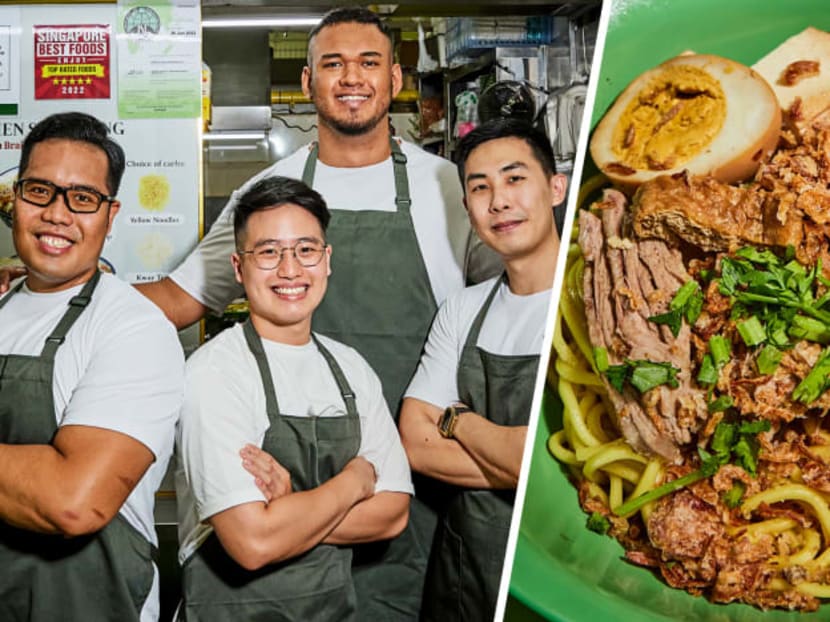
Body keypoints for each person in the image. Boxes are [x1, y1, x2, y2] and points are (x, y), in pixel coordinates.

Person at [136, 7, 499, 617]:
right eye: (332, 64)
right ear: (307, 83)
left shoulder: (451, 189)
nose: (351, 78)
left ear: (396, 79)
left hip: (415, 486)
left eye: (368, 63)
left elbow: (509, 305)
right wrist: (67, 295)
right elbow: (176, 301)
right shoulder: (268, 194)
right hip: (279, 476)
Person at [175, 175, 412, 620]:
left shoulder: (350, 368)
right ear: (238, 267)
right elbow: (252, 542)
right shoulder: (215, 372)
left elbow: (392, 514)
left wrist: (287, 509)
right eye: (268, 252)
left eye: (305, 250)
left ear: (327, 261)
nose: (289, 270)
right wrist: (355, 481)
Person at [0, 112, 183, 621]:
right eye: (40, 190)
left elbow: (73, 500)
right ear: (15, 197)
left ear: (110, 213)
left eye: (82, 198)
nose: (58, 214)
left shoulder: (134, 328)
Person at [399, 118, 568, 621]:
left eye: (515, 179)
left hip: (557, 570)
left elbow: (533, 461)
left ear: (556, 188)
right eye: (480, 187)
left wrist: (460, 422)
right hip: (464, 575)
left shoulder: (585, 302)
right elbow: (414, 443)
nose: (498, 201)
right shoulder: (462, 310)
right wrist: (521, 464)